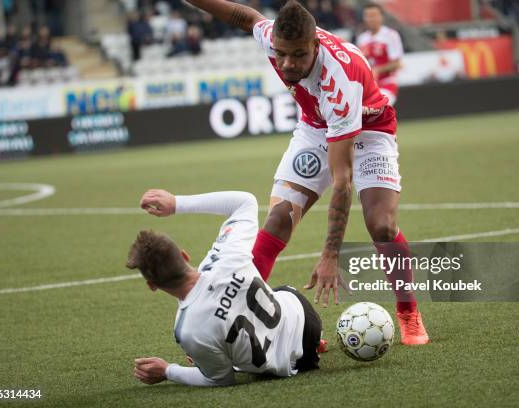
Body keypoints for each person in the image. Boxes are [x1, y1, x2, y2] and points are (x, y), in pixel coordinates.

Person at [181, 0, 428, 345]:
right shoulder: (274, 38)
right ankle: (234, 327)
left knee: (381, 226)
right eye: (281, 54)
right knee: (278, 219)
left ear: (315, 45)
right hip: (316, 129)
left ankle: (408, 312)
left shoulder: (338, 83)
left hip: (371, 131)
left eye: (297, 55)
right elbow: (243, 15)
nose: (286, 64)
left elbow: (341, 181)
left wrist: (330, 256)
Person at [127, 189, 322, 386]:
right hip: (306, 317)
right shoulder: (226, 252)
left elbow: (220, 379)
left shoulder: (188, 330)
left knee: (215, 344)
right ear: (184, 255)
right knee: (266, 293)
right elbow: (245, 201)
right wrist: (176, 203)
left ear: (152, 285)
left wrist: (168, 371)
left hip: (295, 362)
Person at [357, 3, 404, 106]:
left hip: (387, 82)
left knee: (380, 108)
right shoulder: (362, 38)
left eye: (373, 15)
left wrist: (377, 70)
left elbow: (397, 63)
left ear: (381, 17)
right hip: (369, 86)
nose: (370, 19)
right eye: (367, 16)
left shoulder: (391, 35)